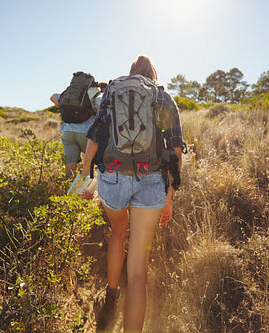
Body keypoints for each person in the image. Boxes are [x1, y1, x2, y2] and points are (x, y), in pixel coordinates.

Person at [81, 55, 183, 332]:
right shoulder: (163, 97)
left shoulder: (111, 94)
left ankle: (112, 293)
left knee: (117, 232)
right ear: (152, 75)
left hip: (112, 177)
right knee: (138, 271)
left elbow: (94, 138)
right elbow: (175, 153)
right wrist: (169, 196)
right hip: (151, 181)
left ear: (131, 74)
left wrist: (86, 175)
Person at [50, 80, 106, 175]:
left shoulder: (73, 94)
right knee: (90, 164)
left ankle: (69, 187)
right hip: (86, 133)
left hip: (68, 132)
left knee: (69, 169)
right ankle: (87, 188)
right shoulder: (97, 93)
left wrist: (67, 109)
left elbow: (53, 97)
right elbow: (101, 104)